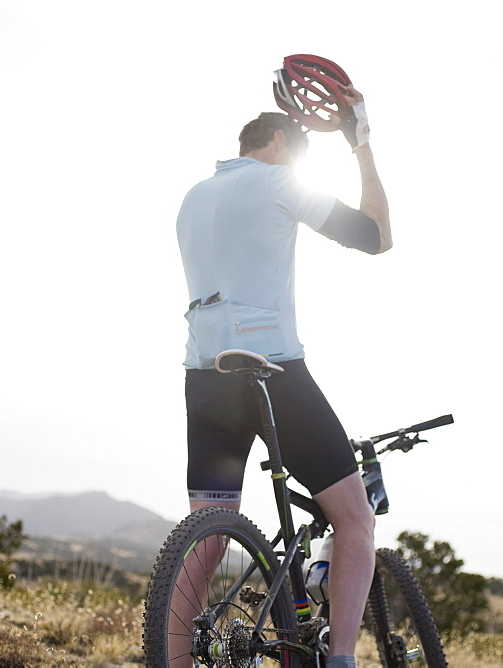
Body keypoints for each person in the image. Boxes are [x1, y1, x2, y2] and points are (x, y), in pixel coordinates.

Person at [176, 86, 391, 668]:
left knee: (206, 531)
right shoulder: (277, 182)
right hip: (272, 374)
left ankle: (168, 658)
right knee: (354, 518)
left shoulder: (193, 198)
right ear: (276, 143)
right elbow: (376, 235)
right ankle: (341, 658)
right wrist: (360, 144)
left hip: (204, 374)